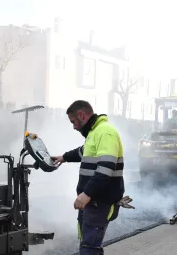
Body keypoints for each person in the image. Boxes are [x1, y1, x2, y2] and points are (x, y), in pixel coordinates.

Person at [51, 100, 125, 255]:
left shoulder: (105, 132)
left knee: (89, 248)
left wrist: (86, 194)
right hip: (94, 201)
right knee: (89, 246)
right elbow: (83, 151)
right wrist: (63, 157)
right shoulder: (95, 132)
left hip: (99, 200)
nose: (74, 127)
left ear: (81, 115)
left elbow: (106, 169)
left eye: (74, 122)